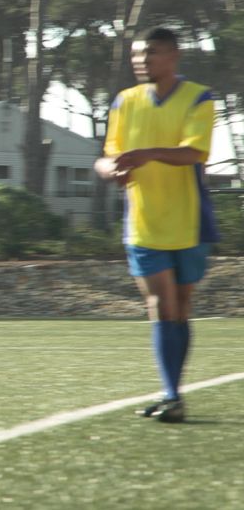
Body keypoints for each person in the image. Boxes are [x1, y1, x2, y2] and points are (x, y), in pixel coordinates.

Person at [94, 27, 219, 424]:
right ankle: (172, 395)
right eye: (136, 55)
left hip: (189, 220)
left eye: (150, 53)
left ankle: (173, 393)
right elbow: (107, 156)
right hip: (143, 223)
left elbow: (194, 152)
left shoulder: (198, 97)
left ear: (174, 55)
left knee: (180, 307)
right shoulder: (124, 101)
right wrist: (111, 170)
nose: (141, 61)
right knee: (161, 305)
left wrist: (146, 154)